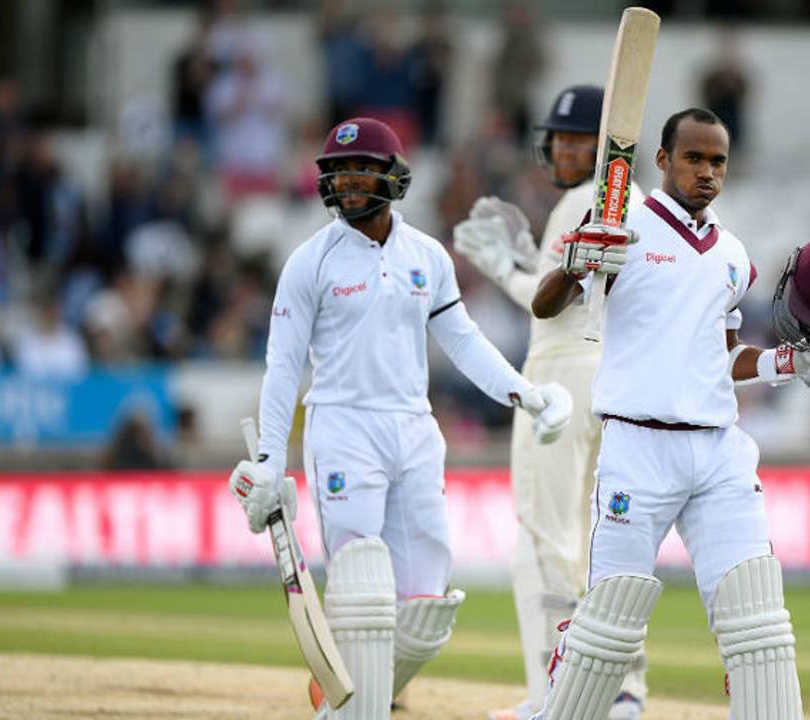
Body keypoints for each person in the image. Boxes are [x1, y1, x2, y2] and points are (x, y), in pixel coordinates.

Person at [528, 108, 810, 720]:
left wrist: (785, 364)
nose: (707, 171)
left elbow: (719, 355)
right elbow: (545, 305)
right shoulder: (621, 226)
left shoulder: (734, 256)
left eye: (717, 160)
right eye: (693, 157)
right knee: (609, 627)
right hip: (638, 450)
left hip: (718, 451)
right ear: (662, 160)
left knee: (758, 620)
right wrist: (576, 263)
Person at [227, 117, 573, 720]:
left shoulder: (427, 257)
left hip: (414, 431)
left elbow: (461, 340)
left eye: (362, 168)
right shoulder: (311, 262)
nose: (350, 182)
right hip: (342, 428)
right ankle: (357, 706)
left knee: (427, 611)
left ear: (393, 176)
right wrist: (267, 460)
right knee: (362, 587)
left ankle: (346, 697)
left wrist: (526, 392)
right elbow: (282, 366)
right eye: (339, 172)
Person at [451, 85, 647, 720]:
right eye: (557, 137)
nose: (562, 148)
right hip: (615, 383)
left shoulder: (575, 202)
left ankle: (553, 698)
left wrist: (505, 266)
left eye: (575, 138)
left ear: (603, 145)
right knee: (598, 548)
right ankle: (621, 694)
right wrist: (522, 265)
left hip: (560, 380)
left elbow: (551, 305)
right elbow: (574, 296)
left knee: (543, 541)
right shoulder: (639, 203)